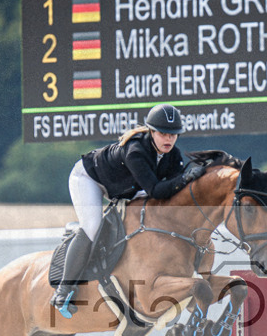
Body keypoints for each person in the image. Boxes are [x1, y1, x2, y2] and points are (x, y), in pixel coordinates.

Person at [50, 103, 207, 318]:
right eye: (163, 133)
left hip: (126, 188)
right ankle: (63, 290)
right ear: (151, 132)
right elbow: (155, 190)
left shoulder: (173, 155)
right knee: (92, 226)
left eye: (173, 134)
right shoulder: (136, 151)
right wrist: (184, 179)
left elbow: (173, 196)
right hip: (89, 178)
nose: (168, 139)